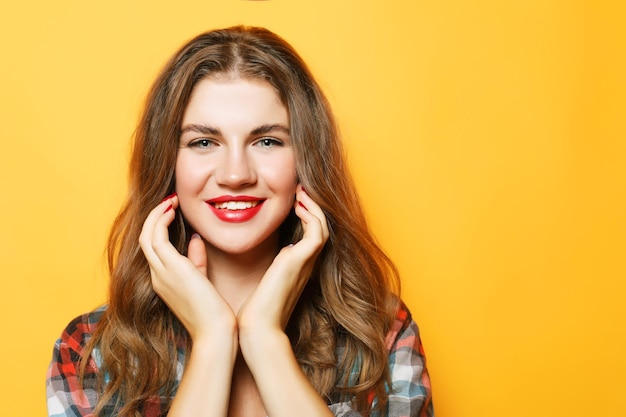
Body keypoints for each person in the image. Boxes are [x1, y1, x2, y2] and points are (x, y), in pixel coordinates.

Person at [46, 26, 434, 417]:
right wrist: (213, 339)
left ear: (305, 162)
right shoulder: (89, 352)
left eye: (267, 141)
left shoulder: (379, 335)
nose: (235, 175)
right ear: (168, 164)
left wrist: (265, 340)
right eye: (203, 142)